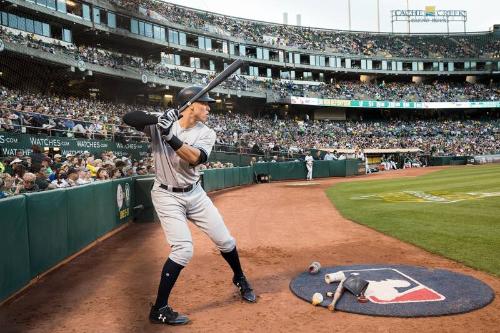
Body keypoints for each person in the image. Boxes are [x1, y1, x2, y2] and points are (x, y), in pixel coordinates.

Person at [123, 86, 256, 326]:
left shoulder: (206, 132)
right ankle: (159, 308)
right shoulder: (162, 122)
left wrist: (169, 136)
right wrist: (159, 120)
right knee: (183, 250)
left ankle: (240, 278)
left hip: (195, 194)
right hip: (166, 195)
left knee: (226, 241)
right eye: (205, 103)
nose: (209, 108)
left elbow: (195, 158)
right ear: (189, 106)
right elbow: (128, 118)